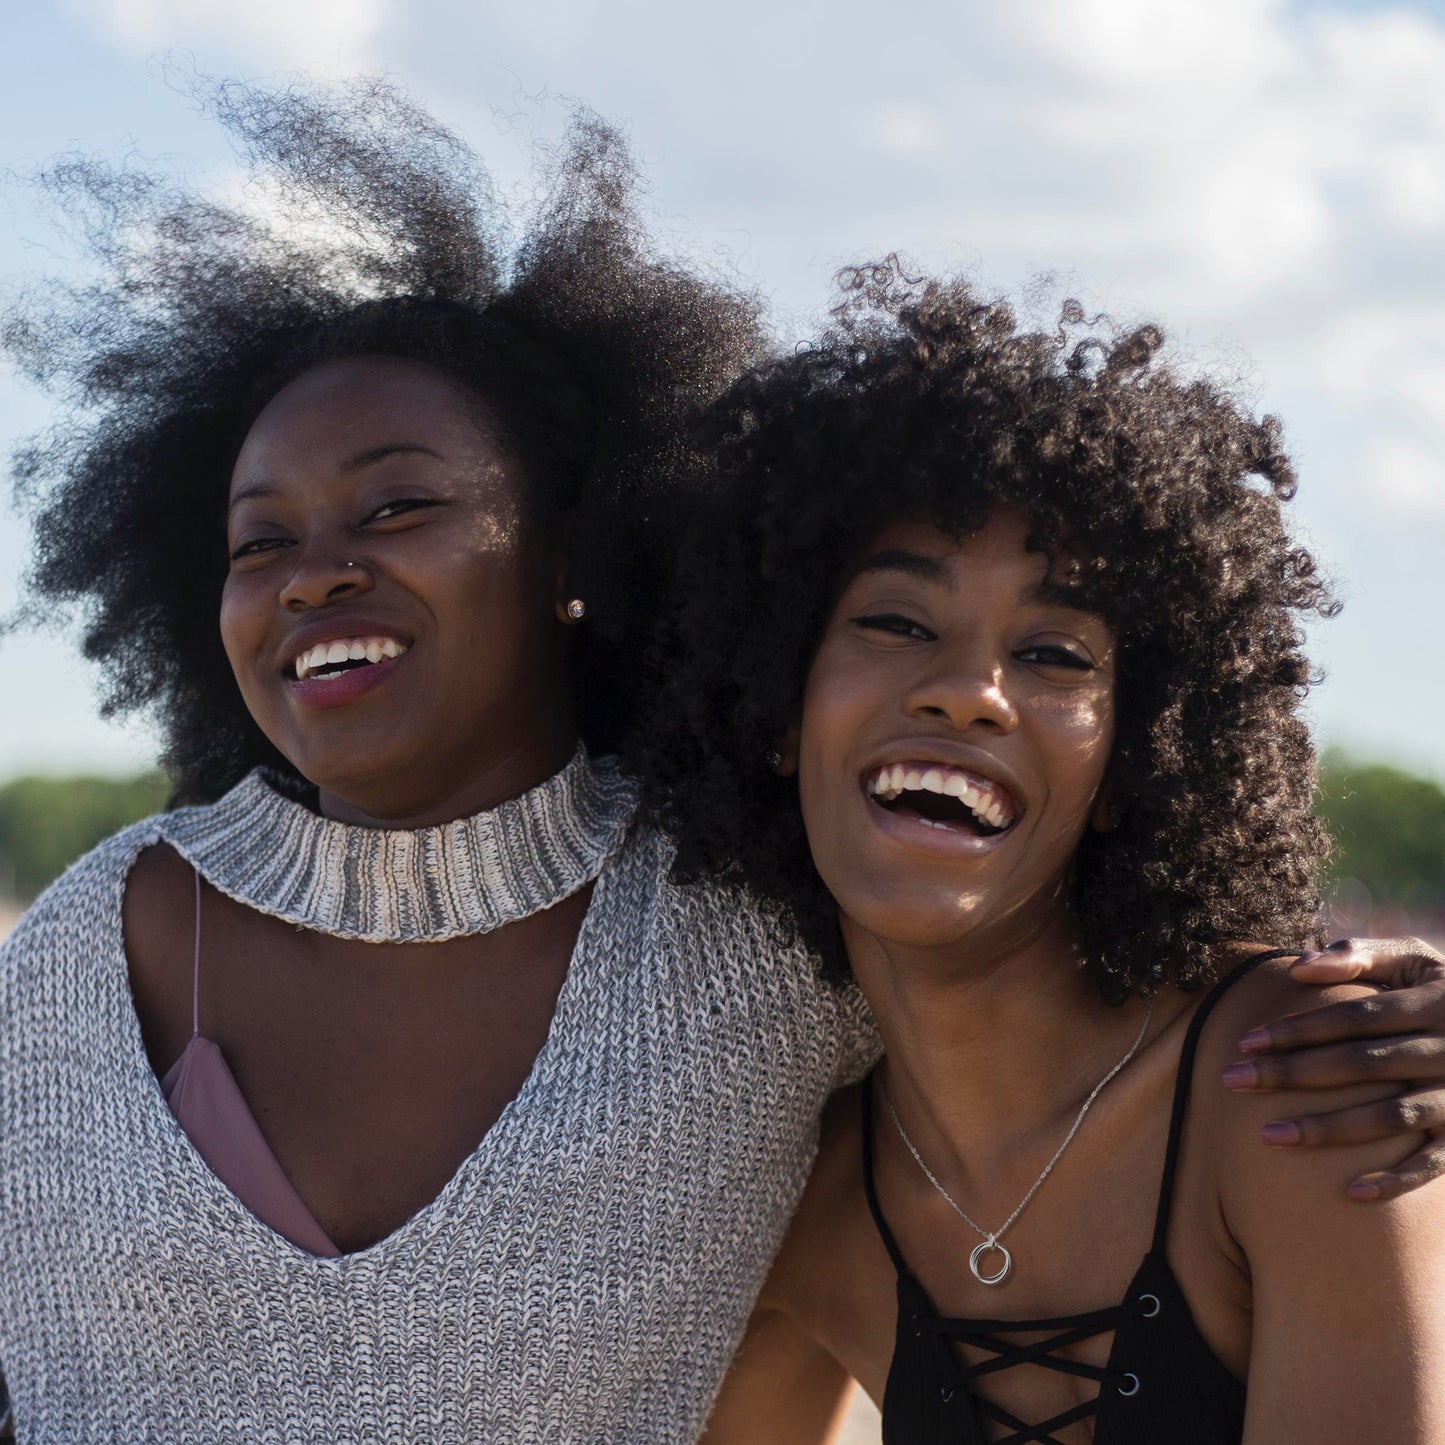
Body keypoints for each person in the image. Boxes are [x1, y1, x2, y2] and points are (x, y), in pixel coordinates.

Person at [0, 85, 1440, 1441]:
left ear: (575, 557)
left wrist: (1395, 1011)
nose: (317, 574)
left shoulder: (745, 939)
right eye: (262, 541)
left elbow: (1036, 959)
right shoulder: (76, 950)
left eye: (399, 507)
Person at [629, 264, 1445, 1441]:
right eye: (896, 621)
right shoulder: (799, 1195)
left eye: (1056, 652)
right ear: (770, 707)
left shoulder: (1308, 1084)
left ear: (1135, 760)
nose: (967, 691)